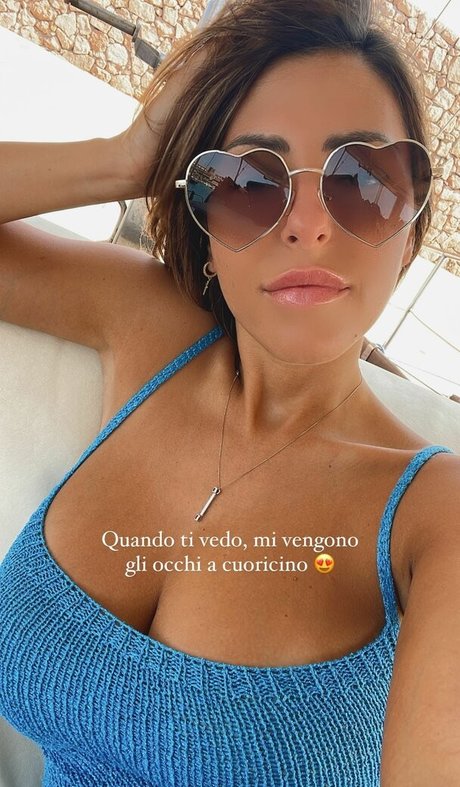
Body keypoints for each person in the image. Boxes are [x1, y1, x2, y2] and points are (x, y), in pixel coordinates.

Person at [0, 0, 458, 785]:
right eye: (250, 180)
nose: (309, 224)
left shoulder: (433, 517)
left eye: (362, 180)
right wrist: (127, 156)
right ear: (205, 223)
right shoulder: (149, 329)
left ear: (411, 229)